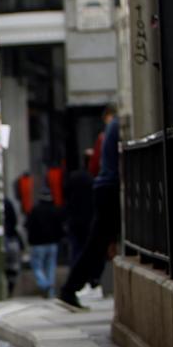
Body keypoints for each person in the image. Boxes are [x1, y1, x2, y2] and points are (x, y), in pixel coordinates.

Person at [60, 106, 121, 307]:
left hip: (105, 188)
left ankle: (77, 286)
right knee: (97, 244)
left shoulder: (109, 130)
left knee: (98, 243)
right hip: (110, 189)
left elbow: (95, 168)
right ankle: (75, 286)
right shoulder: (116, 127)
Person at [26, 189, 65, 298]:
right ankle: (50, 291)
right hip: (52, 243)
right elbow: (60, 227)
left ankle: (44, 284)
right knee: (50, 267)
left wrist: (30, 240)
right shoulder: (55, 210)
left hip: (38, 244)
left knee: (37, 266)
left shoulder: (35, 210)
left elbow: (29, 226)